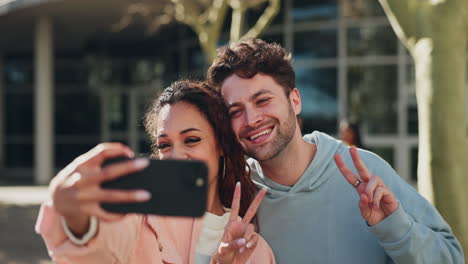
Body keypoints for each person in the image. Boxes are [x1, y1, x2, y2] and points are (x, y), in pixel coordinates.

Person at [207, 39, 464, 263]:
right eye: (236, 111)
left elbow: (451, 258)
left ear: (295, 101)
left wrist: (396, 228)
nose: (251, 119)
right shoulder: (234, 194)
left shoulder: (365, 173)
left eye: (262, 100)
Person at [35, 81, 276, 263]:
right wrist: (78, 220)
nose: (176, 156)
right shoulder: (138, 217)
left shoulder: (255, 249)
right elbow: (99, 249)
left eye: (191, 140)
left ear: (221, 145)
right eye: (164, 144)